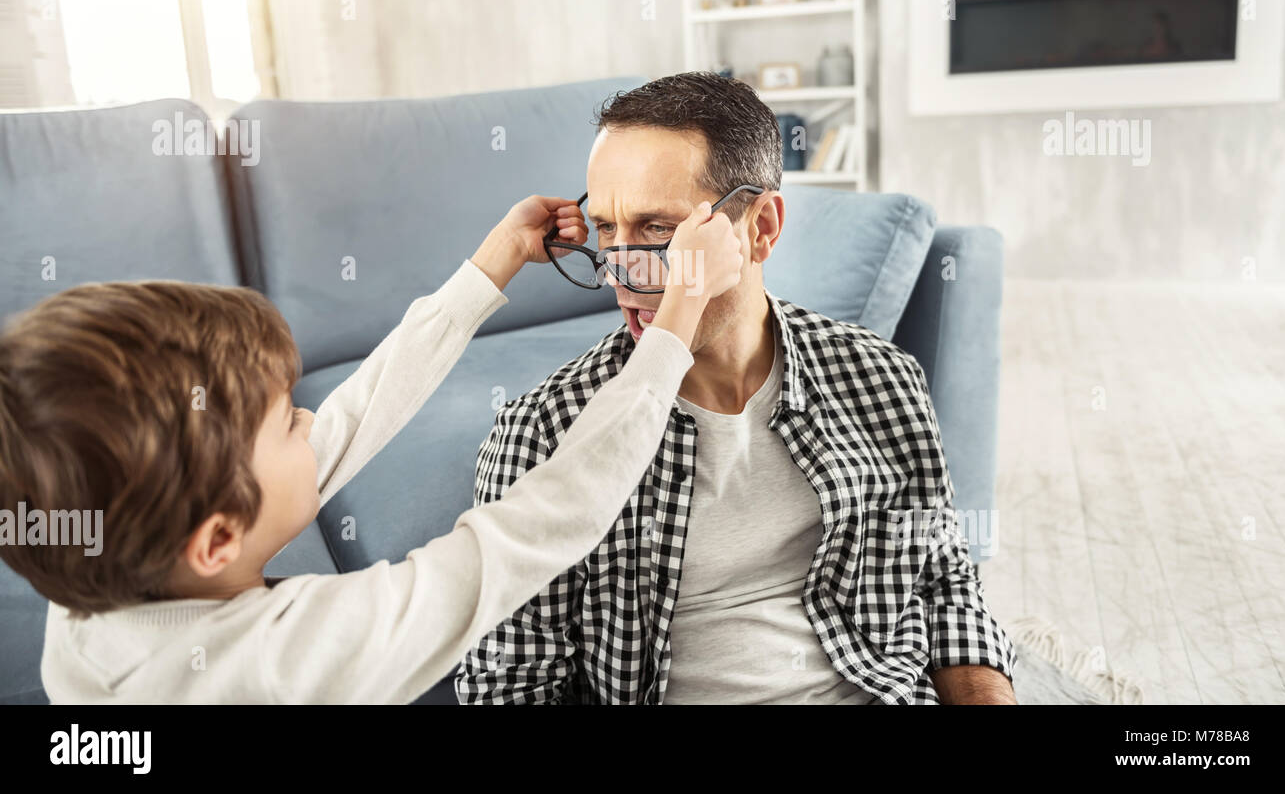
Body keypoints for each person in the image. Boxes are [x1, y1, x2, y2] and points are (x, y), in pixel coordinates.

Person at [0, 193, 742, 703]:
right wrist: (675, 324)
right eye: (288, 420)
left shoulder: (88, 603)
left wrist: (489, 269)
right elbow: (534, 528)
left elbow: (356, 411)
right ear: (218, 537)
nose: (312, 422)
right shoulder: (290, 666)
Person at [457, 72, 1018, 704]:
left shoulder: (881, 379)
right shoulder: (544, 435)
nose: (620, 272)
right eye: (607, 229)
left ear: (762, 228)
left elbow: (945, 584)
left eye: (658, 231)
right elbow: (510, 685)